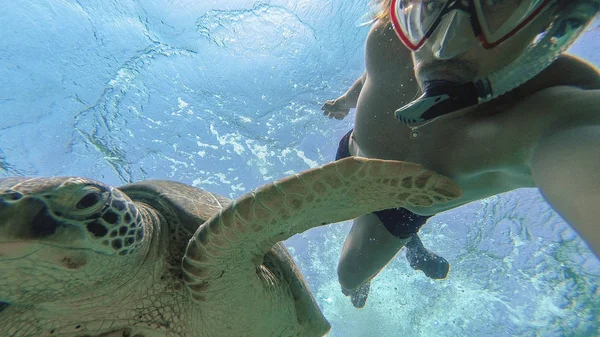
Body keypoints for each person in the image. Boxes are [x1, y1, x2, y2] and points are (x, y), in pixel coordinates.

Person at [322, 0, 600, 308]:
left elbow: (581, 146)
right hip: (351, 153)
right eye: (433, 1)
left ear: (559, 17)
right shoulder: (392, 34)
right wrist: (347, 100)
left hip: (400, 209)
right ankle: (414, 247)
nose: (445, 43)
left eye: (495, 2)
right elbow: (370, 76)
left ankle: (403, 247)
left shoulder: (556, 110)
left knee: (349, 279)